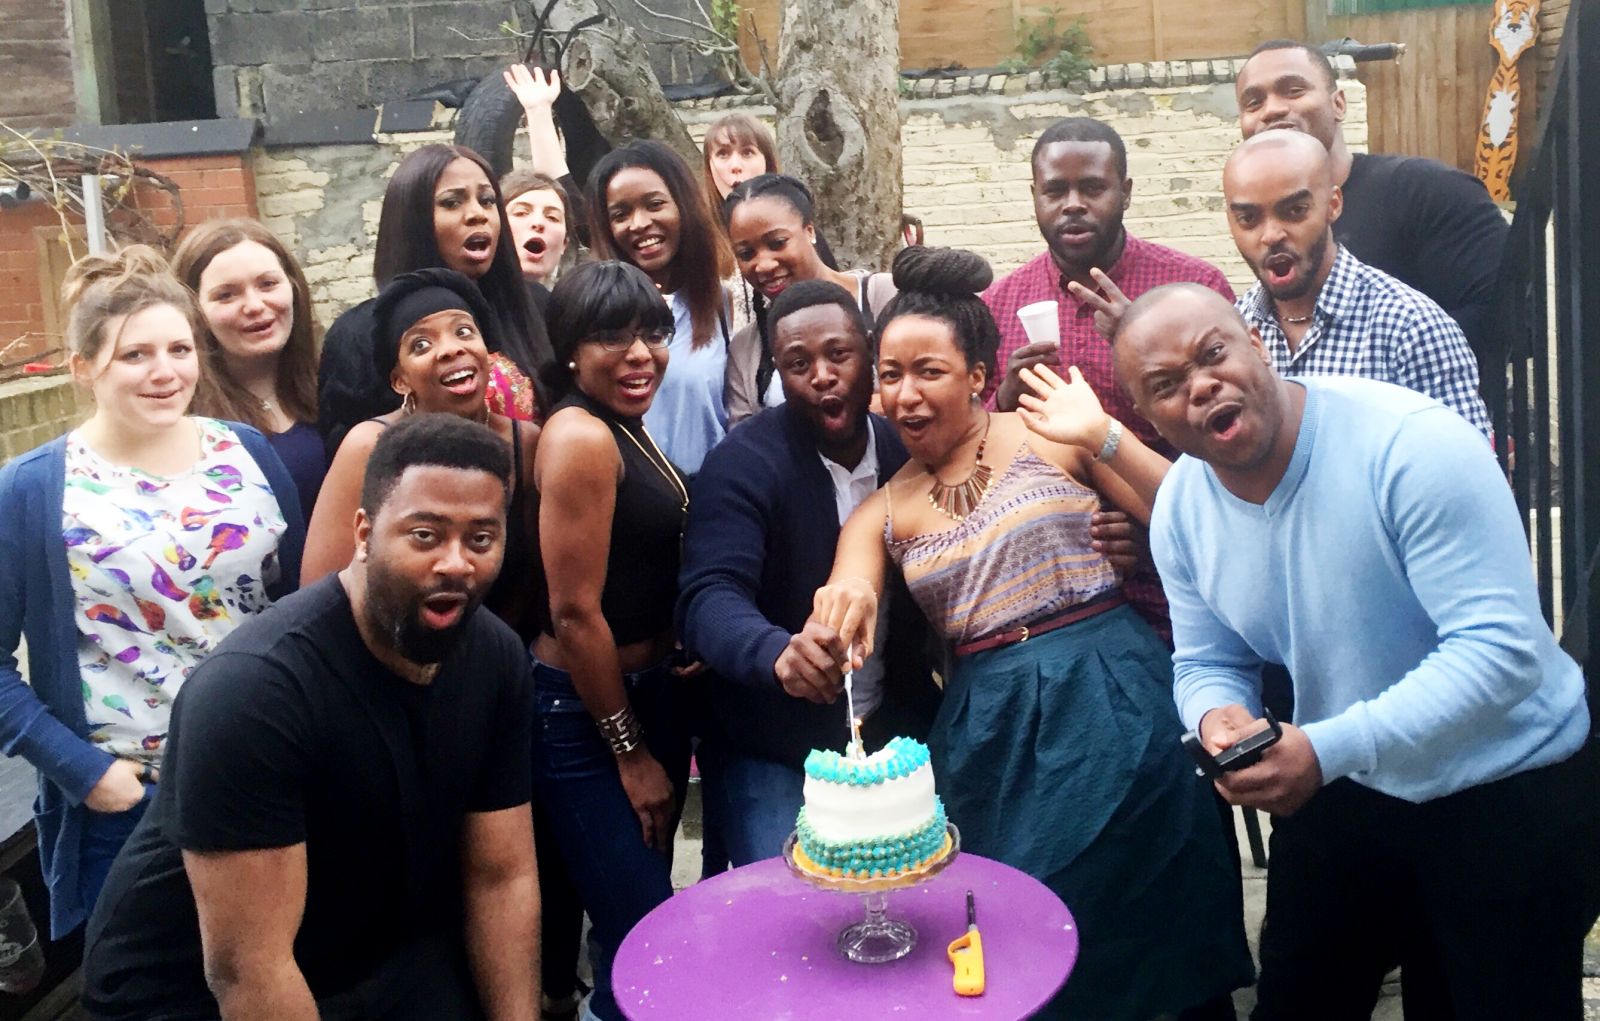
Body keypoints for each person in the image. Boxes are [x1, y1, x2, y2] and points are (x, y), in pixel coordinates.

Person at [1116, 282, 1599, 1019]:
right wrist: (1218, 719)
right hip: (1345, 782)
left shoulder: (1411, 445)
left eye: (1213, 353)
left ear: (1256, 342)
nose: (1201, 384)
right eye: (1166, 384)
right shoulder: (1182, 506)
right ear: (1144, 417)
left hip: (1505, 780)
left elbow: (1500, 651)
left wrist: (1325, 748)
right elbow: (1207, 659)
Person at [810, 246, 1253, 1019]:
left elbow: (1193, 515)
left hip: (1114, 696)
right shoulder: (883, 508)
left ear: (979, 374)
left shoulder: (1054, 433)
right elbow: (850, 580)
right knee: (1024, 926)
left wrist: (1106, 435)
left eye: (928, 371)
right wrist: (841, 603)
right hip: (991, 731)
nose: (905, 393)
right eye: (890, 374)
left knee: (1151, 907)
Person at [81, 413, 540, 1020]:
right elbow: (249, 971)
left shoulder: (495, 660)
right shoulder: (254, 693)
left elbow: (501, 877)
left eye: (480, 540)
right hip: (188, 989)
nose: (456, 563)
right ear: (364, 533)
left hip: (371, 948)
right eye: (425, 535)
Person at [0, 246, 304, 939]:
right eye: (134, 355)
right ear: (83, 368)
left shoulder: (248, 453)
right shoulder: (33, 488)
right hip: (134, 803)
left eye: (179, 349)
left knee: (279, 968)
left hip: (265, 774)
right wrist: (85, 773)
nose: (165, 372)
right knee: (152, 982)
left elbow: (297, 610)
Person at [677, 279, 939, 865]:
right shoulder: (743, 463)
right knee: (788, 900)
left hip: (896, 735)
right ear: (777, 374)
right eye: (798, 364)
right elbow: (708, 595)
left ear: (869, 355)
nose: (822, 375)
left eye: (838, 354)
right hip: (772, 744)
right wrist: (776, 653)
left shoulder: (907, 452)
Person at [983, 116, 1235, 636]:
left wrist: (1154, 531)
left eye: (1093, 188)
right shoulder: (998, 305)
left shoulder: (1192, 287)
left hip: (1181, 580)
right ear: (1034, 197)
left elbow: (1230, 433)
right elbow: (969, 448)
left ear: (1126, 192)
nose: (1073, 204)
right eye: (1056, 190)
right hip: (1048, 602)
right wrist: (1004, 399)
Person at [531, 261, 695, 1021]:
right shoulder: (580, 437)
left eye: (653, 333)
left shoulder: (620, 424)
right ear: (569, 349)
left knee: (632, 932)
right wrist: (629, 753)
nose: (640, 354)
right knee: (645, 933)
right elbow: (574, 614)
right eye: (611, 336)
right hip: (585, 715)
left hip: (645, 694)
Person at [1236, 39, 1509, 374]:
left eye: (1293, 90)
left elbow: (1506, 318)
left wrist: (1371, 380)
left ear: (1338, 104)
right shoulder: (1246, 310)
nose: (1272, 109)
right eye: (1254, 102)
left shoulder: (1431, 192)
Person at [301, 269, 539, 637]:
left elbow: (533, 578)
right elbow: (319, 592)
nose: (451, 349)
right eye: (421, 345)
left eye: (464, 332)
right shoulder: (368, 445)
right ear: (400, 380)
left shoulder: (526, 443)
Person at [1223, 130, 1490, 435]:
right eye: (1248, 219)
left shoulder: (1412, 328)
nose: (1271, 235)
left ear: (1333, 204)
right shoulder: (1234, 330)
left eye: (1295, 211)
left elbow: (1463, 460)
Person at [317, 144, 551, 452]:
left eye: (487, 200)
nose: (477, 215)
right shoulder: (359, 333)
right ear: (413, 220)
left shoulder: (534, 305)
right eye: (452, 202)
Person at [587, 140, 732, 475]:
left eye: (654, 204)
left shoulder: (720, 302)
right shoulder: (591, 315)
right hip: (636, 495)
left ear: (684, 206)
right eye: (621, 214)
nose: (639, 223)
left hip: (714, 490)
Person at [175, 218, 327, 516]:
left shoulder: (338, 386)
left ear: (294, 287)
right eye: (226, 295)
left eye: (268, 284)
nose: (255, 305)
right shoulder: (182, 421)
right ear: (192, 311)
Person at [721, 174, 897, 426]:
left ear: (810, 231)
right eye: (746, 254)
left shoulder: (885, 298)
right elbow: (746, 439)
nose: (764, 264)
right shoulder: (746, 349)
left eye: (777, 243)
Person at [500, 168, 572, 296]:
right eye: (521, 213)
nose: (538, 223)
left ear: (564, 244)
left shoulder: (574, 307)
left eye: (552, 217)